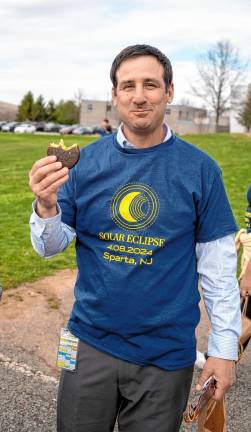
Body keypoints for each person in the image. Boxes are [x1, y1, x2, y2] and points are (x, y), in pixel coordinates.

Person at [28, 44, 241, 432]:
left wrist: (223, 351)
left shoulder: (200, 170)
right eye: (128, 85)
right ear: (114, 96)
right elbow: (49, 247)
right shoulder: (84, 163)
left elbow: (219, 271)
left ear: (169, 92)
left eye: (151, 85)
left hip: (165, 356)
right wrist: (45, 206)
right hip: (88, 344)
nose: (139, 96)